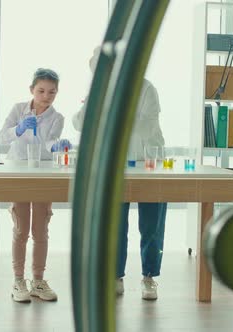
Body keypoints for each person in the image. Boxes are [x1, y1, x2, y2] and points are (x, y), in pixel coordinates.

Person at [73, 47, 167, 300]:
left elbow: (145, 126)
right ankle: (116, 276)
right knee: (115, 223)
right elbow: (79, 123)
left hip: (149, 163)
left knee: (152, 225)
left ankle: (149, 277)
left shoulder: (147, 89)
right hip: (115, 165)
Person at [0, 68, 71, 303]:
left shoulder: (57, 118)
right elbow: (2, 137)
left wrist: (57, 146)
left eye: (52, 92)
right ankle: (18, 281)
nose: (46, 96)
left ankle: (38, 281)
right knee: (21, 229)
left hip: (43, 175)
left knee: (40, 230)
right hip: (18, 172)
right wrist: (17, 129)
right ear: (32, 89)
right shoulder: (18, 109)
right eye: (41, 90)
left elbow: (49, 142)